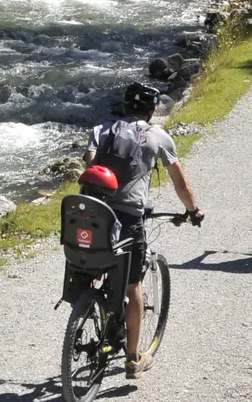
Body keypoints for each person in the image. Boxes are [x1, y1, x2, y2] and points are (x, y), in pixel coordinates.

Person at [84, 82, 203, 377]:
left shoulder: (101, 130)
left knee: (94, 266)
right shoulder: (158, 136)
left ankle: (91, 309)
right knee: (133, 285)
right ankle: (134, 358)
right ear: (151, 110)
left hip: (92, 215)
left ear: (125, 106)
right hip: (128, 218)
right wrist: (192, 210)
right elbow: (180, 183)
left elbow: (89, 166)